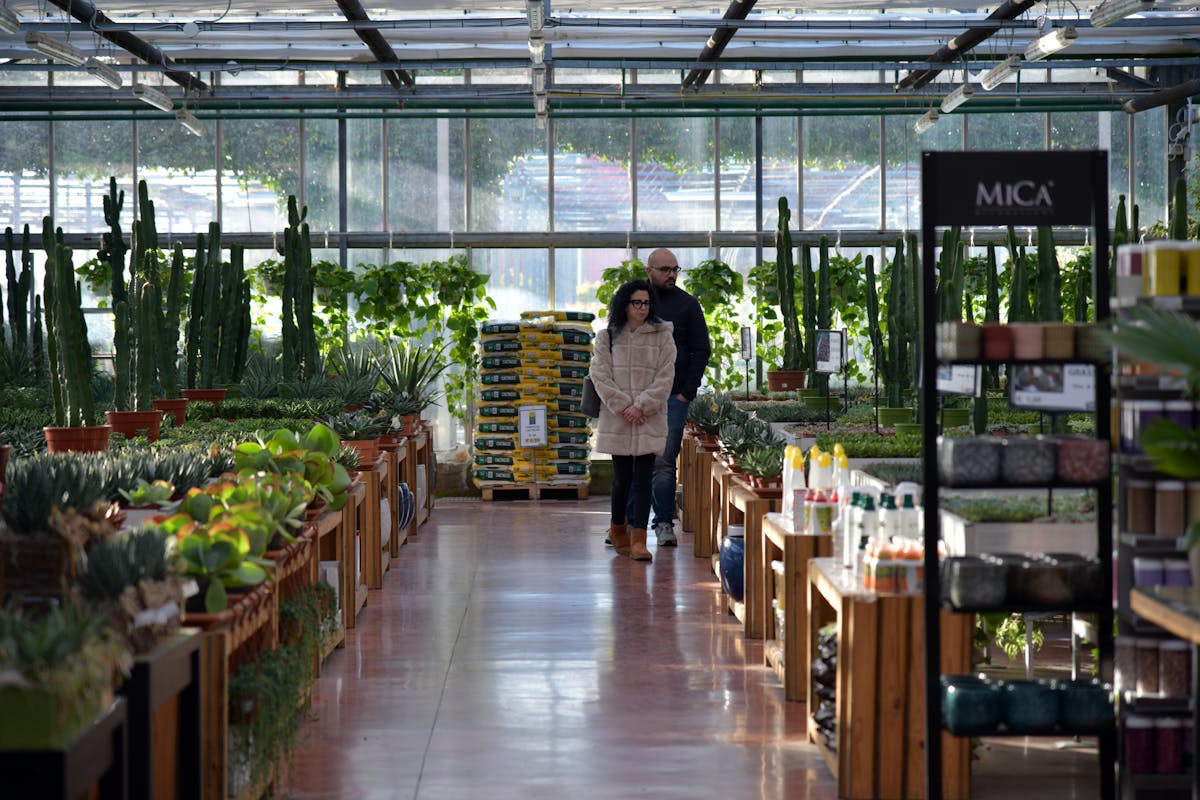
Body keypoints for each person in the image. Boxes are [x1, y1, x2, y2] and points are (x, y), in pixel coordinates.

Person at [589, 280, 677, 562]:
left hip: (647, 418)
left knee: (643, 479)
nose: (642, 308)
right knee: (621, 479)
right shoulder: (607, 337)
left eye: (647, 303)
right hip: (619, 419)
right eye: (637, 303)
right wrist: (625, 406)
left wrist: (642, 406)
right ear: (624, 305)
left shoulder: (663, 335)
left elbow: (666, 377)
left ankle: (639, 539)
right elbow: (600, 376)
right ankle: (617, 529)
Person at [638, 247, 711, 547]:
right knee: (632, 459)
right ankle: (627, 525)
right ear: (649, 271)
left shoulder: (688, 305)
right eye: (665, 269)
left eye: (675, 269)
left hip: (673, 397)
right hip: (637, 396)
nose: (671, 274)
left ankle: (664, 522)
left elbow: (701, 350)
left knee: (665, 462)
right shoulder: (636, 303)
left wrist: (686, 393)